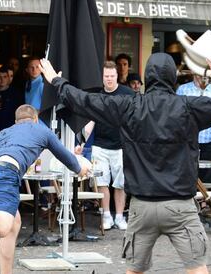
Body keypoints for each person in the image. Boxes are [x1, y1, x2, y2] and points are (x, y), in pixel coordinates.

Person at [39, 53, 211, 274]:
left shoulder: (128, 105)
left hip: (142, 207)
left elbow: (84, 100)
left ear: (148, 78)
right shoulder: (188, 106)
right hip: (180, 206)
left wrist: (55, 80)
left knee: (135, 269)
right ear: (173, 78)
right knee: (197, 267)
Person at [0, 104, 88, 274]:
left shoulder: (4, 132)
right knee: (2, 227)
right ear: (35, 119)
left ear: (16, 122)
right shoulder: (41, 130)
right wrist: (80, 169)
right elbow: (65, 155)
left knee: (14, 224)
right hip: (6, 174)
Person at [86, 61, 133, 230]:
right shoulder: (97, 95)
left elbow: (134, 118)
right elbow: (90, 120)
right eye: (106, 76)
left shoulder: (127, 94)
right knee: (102, 182)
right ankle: (106, 215)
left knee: (120, 183)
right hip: (99, 144)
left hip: (121, 146)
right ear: (102, 77)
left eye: (112, 76)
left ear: (117, 76)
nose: (109, 79)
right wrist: (84, 139)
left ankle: (120, 217)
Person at [177, 72, 211, 186]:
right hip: (188, 140)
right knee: (188, 171)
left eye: (206, 75)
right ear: (194, 73)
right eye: (200, 74)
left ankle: (205, 202)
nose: (203, 77)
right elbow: (176, 114)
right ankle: (192, 200)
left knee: (209, 173)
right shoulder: (183, 90)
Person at [0, 66, 22, 144]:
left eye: (4, 77)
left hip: (10, 131)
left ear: (9, 78)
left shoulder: (15, 93)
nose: (2, 80)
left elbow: (20, 113)